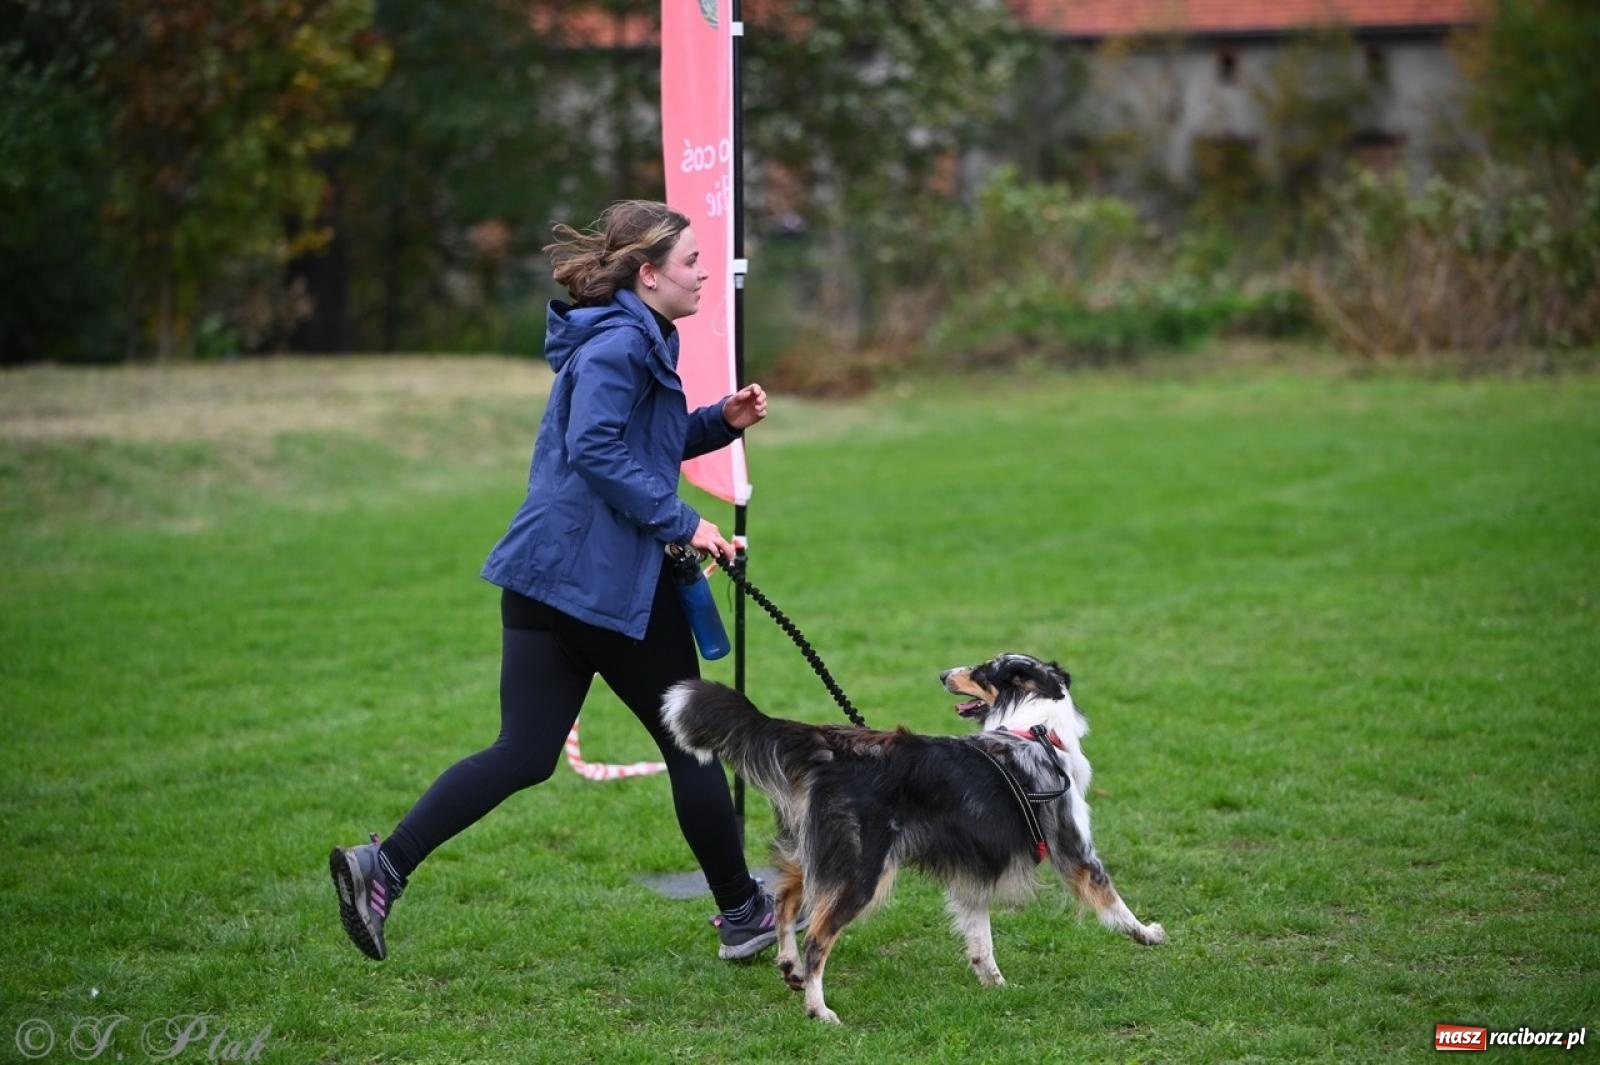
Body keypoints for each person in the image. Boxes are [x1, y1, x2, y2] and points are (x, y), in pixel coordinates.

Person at [330, 200, 785, 963]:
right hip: (603, 585)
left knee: (523, 751)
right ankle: (745, 912)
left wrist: (718, 421)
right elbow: (596, 448)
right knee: (695, 747)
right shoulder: (617, 346)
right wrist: (683, 520)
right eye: (691, 262)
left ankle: (385, 865)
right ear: (648, 275)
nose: (706, 272)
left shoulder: (627, 336)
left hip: (545, 579)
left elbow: (639, 440)